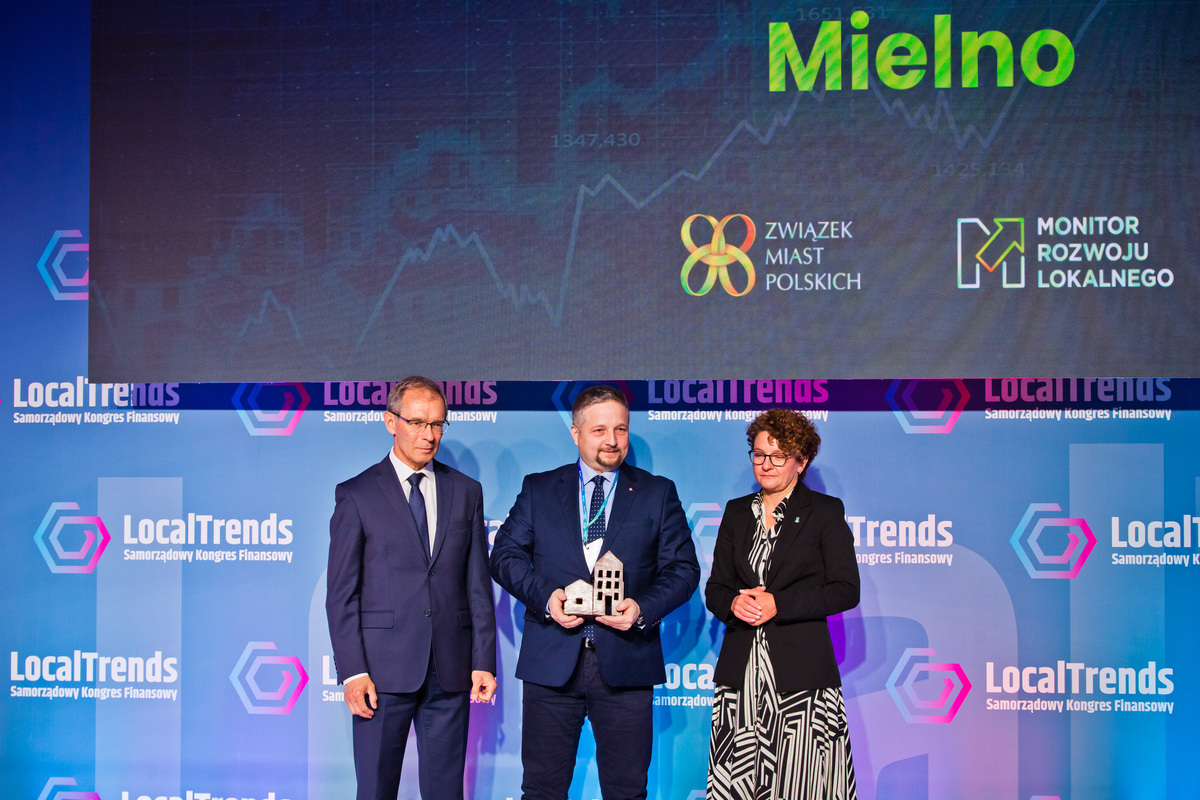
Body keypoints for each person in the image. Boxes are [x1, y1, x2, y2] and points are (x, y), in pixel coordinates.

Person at [490, 384, 700, 800]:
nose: (612, 440)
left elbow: (683, 570)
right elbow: (504, 556)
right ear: (575, 433)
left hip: (627, 664)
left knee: (627, 792)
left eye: (620, 429)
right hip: (551, 664)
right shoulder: (539, 489)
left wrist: (641, 608)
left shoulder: (658, 493)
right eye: (599, 430)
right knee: (541, 791)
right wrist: (547, 599)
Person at [326, 376, 497, 800]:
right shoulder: (357, 494)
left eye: (437, 424)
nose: (429, 435)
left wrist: (484, 661)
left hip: (450, 669)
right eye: (418, 422)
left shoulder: (466, 491)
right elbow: (342, 594)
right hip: (380, 674)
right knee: (376, 789)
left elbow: (477, 584)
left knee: (446, 792)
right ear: (391, 422)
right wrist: (353, 671)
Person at [705, 408, 860, 800]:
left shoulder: (824, 512)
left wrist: (780, 603)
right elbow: (716, 588)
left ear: (801, 461)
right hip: (742, 679)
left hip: (802, 681)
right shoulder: (736, 512)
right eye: (759, 454)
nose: (766, 464)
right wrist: (732, 604)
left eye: (778, 456)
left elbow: (846, 589)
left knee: (802, 786)